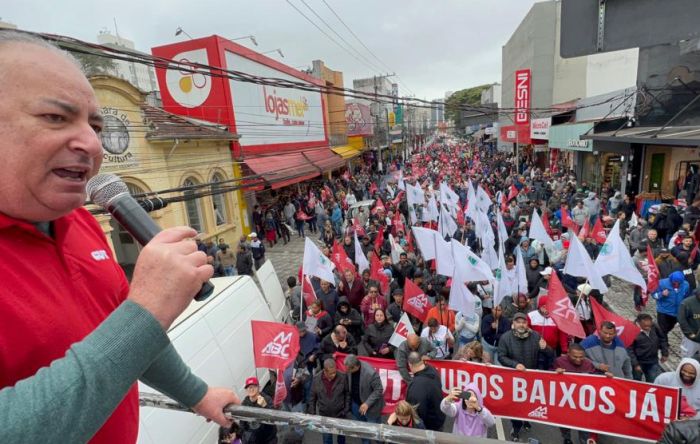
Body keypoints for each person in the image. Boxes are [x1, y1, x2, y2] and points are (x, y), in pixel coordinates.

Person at [0, 32, 237, 443]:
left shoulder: (80, 220)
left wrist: (197, 394)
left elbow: (127, 338)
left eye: (95, 125)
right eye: (56, 117)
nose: (93, 144)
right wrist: (146, 310)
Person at [498, 312, 554, 441]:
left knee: (529, 403)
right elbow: (501, 356)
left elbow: (550, 355)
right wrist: (514, 364)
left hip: (531, 379)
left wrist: (546, 348)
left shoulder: (536, 336)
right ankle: (516, 426)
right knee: (515, 405)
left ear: (527, 324)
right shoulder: (505, 338)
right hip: (514, 379)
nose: (521, 324)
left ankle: (527, 419)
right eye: (518, 322)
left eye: (523, 322)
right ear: (513, 324)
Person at [552, 344, 597, 444]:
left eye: (581, 357)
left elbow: (596, 379)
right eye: (575, 357)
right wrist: (555, 372)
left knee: (584, 426)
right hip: (565, 401)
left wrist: (606, 376)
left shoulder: (588, 364)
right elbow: (548, 376)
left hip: (583, 402)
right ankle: (567, 438)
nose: (578, 359)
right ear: (568, 353)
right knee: (564, 423)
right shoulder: (559, 362)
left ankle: (584, 441)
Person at [344, 354, 385, 444]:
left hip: (371, 408)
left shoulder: (370, 373)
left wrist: (367, 403)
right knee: (362, 429)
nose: (347, 371)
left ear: (355, 366)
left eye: (349, 369)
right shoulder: (350, 369)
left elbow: (379, 389)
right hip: (356, 404)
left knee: (375, 431)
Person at [307, 359, 350, 444]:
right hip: (324, 415)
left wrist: (346, 410)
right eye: (331, 373)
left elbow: (347, 394)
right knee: (327, 439)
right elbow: (312, 397)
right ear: (325, 371)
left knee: (341, 438)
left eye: (335, 372)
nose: (334, 375)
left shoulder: (343, 377)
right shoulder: (316, 379)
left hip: (340, 414)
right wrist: (312, 413)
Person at [405, 352, 446, 432]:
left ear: (410, 364)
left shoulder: (416, 386)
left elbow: (416, 413)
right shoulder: (432, 369)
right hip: (439, 420)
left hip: (428, 429)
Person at [629, 313, 668, 382]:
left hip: (653, 361)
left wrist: (664, 353)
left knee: (653, 381)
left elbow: (662, 339)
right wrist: (635, 364)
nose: (648, 328)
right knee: (636, 381)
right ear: (639, 323)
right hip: (639, 362)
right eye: (645, 326)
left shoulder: (654, 326)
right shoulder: (631, 330)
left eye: (650, 326)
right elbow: (629, 349)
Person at [652, 270, 691, 338]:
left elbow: (687, 297)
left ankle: (656, 336)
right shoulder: (661, 283)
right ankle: (664, 346)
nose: (676, 285)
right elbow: (654, 295)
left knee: (668, 329)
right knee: (663, 330)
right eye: (674, 283)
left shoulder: (686, 285)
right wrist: (661, 294)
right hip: (663, 311)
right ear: (671, 280)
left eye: (679, 283)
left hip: (676, 313)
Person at [240, 377, 277, 444]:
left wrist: (265, 405)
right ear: (246, 390)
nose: (251, 389)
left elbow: (274, 418)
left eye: (254, 386)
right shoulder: (245, 403)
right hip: (256, 439)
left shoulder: (266, 399)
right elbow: (242, 423)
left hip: (269, 437)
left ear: (259, 387)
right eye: (249, 387)